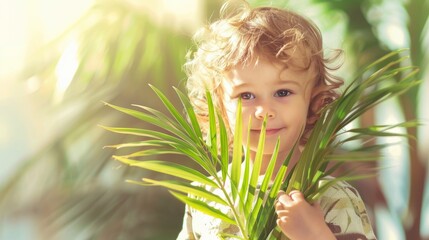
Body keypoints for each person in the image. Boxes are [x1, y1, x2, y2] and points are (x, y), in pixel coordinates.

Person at [177, 1, 376, 239]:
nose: (264, 111)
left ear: (313, 101)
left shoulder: (332, 198)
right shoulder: (205, 197)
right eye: (246, 95)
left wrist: (315, 235)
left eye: (282, 93)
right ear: (218, 105)